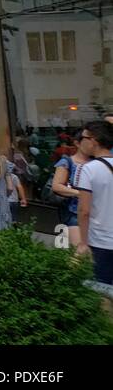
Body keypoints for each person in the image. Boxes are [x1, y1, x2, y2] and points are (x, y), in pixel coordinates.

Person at [75, 121, 113, 285]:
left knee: (102, 291)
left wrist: (83, 243)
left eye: (84, 137)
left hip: (101, 241)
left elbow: (84, 210)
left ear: (94, 140)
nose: (80, 141)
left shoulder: (89, 169)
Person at [51, 137, 90, 248]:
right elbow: (57, 186)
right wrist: (81, 193)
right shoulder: (67, 161)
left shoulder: (97, 162)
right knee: (79, 249)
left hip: (94, 212)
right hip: (73, 211)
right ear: (77, 143)